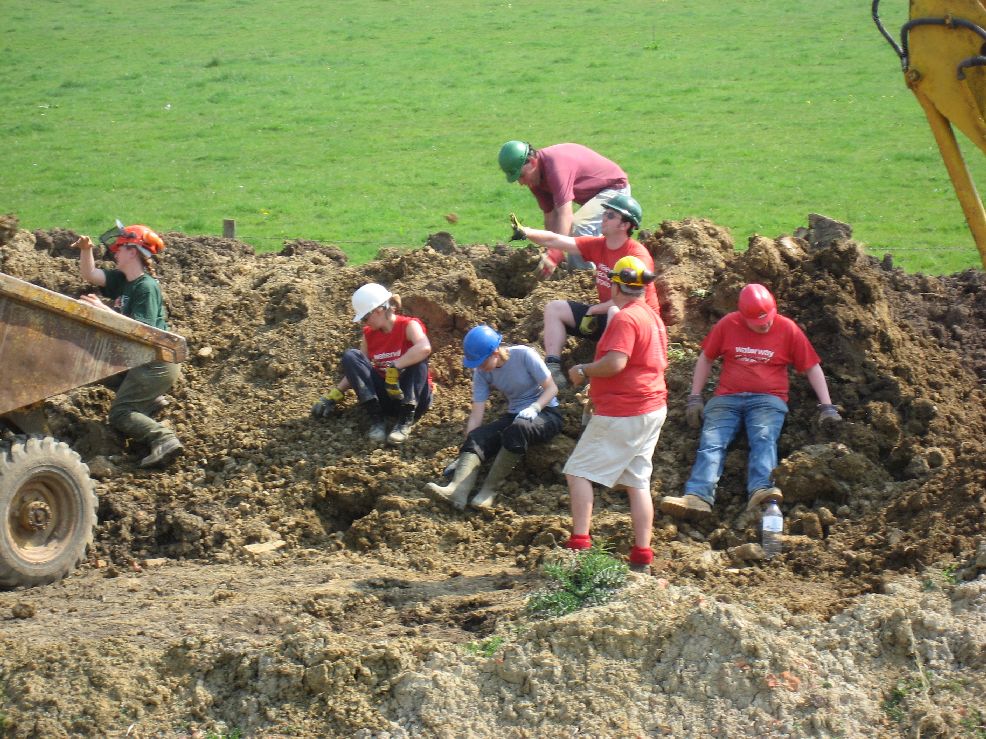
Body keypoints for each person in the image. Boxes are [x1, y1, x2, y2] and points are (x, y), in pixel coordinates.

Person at [659, 283, 843, 519]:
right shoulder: (728, 324)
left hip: (768, 399)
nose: (765, 325)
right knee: (712, 440)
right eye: (758, 323)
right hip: (727, 397)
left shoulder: (788, 329)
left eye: (767, 320)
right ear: (743, 316)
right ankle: (698, 496)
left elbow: (811, 367)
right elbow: (706, 358)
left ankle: (761, 489)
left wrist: (827, 406)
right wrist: (695, 396)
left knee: (764, 437)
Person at [560, 256, 669, 573]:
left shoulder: (626, 319)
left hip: (626, 409)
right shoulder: (652, 317)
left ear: (616, 284)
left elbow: (616, 363)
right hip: (651, 407)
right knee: (637, 482)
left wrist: (583, 370)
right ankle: (641, 557)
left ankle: (579, 547)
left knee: (578, 471)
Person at [509, 194, 660, 389]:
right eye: (604, 213)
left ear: (625, 225)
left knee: (616, 312)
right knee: (554, 309)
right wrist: (526, 231)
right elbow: (558, 240)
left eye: (611, 215)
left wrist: (596, 309)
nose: (603, 217)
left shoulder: (637, 256)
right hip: (607, 314)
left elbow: (635, 301)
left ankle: (607, 374)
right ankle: (553, 368)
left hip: (638, 326)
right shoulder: (598, 245)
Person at [71, 222, 183, 468]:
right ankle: (147, 401)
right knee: (95, 367)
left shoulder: (146, 287)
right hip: (140, 362)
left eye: (120, 247)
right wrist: (85, 249)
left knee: (119, 414)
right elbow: (90, 275)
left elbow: (141, 331)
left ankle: (163, 439)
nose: (115, 252)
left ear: (133, 252)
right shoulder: (124, 281)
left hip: (156, 364)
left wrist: (103, 311)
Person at [425, 325, 562, 510]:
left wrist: (535, 407)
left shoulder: (523, 355)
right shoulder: (481, 372)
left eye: (482, 362)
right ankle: (457, 490)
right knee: (478, 436)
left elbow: (552, 388)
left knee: (518, 429)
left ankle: (489, 490)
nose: (479, 367)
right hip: (515, 415)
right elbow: (476, 414)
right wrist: (467, 448)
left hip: (546, 413)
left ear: (495, 352)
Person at [311, 283, 432, 445]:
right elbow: (360, 368)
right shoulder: (369, 335)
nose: (365, 323)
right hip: (387, 398)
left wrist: (395, 367)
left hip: (414, 398)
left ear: (378, 310)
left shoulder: (408, 326)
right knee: (351, 356)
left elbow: (424, 348)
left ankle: (404, 421)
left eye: (365, 318)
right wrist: (335, 394)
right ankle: (377, 420)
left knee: (418, 358)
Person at [498, 140, 631, 274]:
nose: (521, 183)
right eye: (517, 179)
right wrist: (550, 251)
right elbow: (551, 217)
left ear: (532, 162)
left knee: (579, 226)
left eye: (521, 176)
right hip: (594, 195)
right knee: (571, 234)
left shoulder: (555, 168)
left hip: (615, 189)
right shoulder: (535, 178)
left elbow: (565, 215)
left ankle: (582, 281)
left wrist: (556, 253)